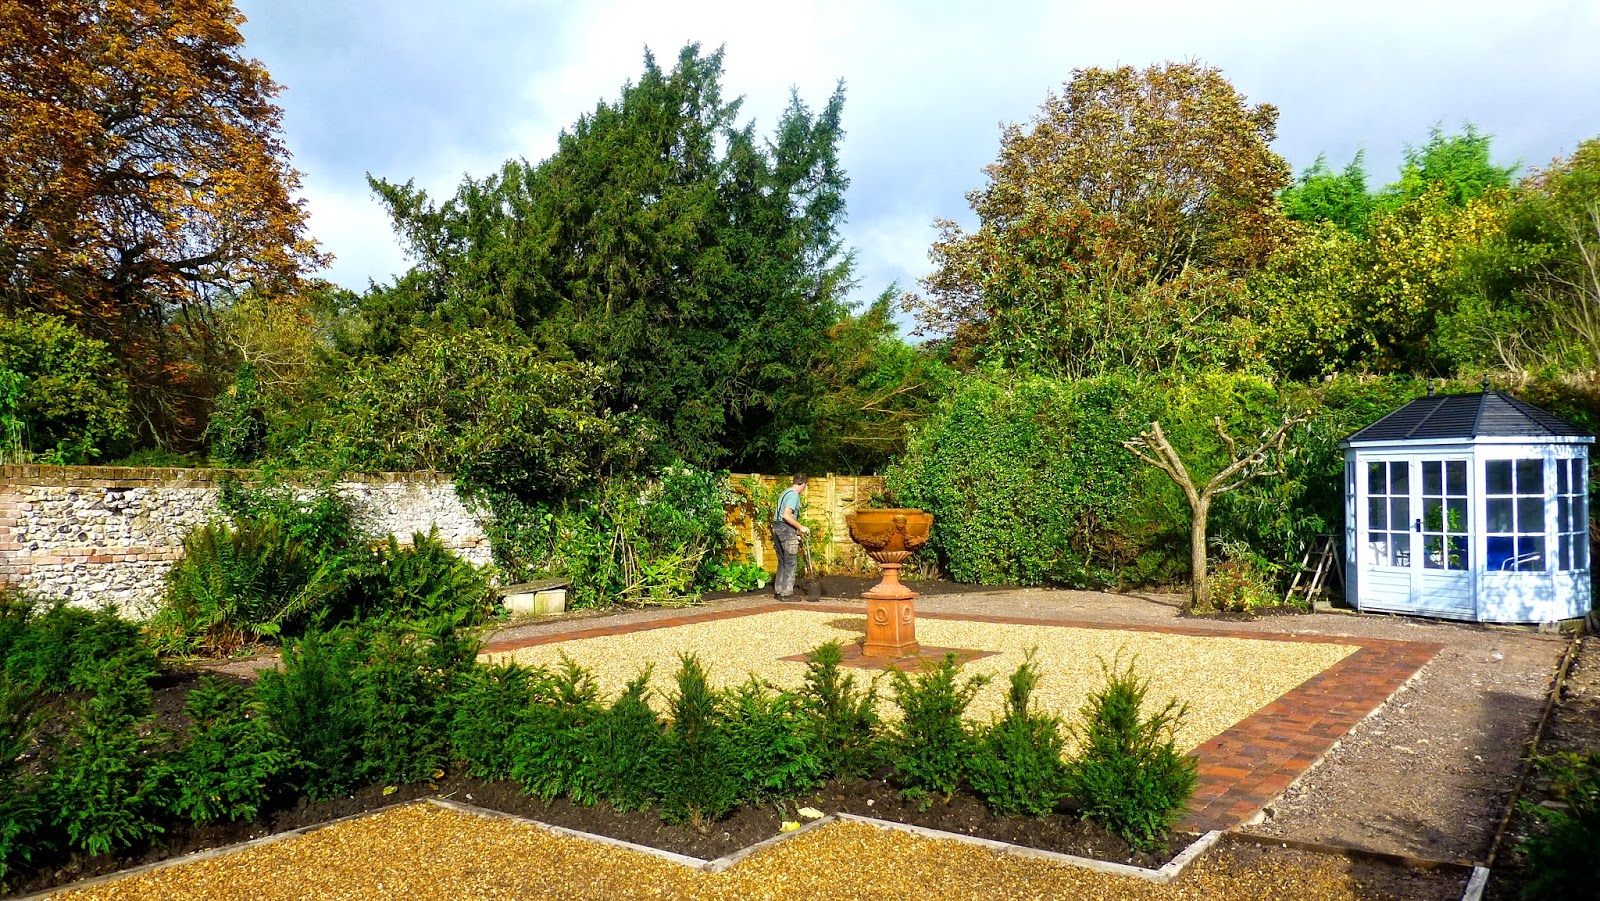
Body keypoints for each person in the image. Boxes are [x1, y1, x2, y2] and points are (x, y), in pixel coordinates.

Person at [772, 474, 811, 600]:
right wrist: (801, 527)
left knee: (782, 562)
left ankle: (779, 591)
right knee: (790, 563)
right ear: (803, 484)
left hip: (776, 528)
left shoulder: (785, 493)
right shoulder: (794, 495)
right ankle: (787, 594)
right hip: (785, 529)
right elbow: (786, 515)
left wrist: (795, 533)